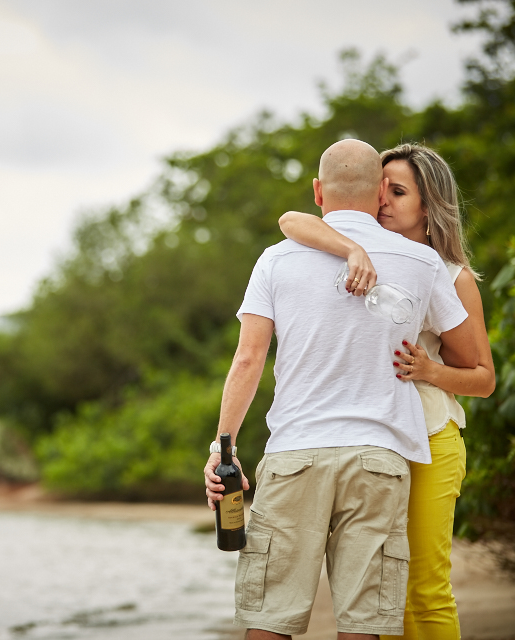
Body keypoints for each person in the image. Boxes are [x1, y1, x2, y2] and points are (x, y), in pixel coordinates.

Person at [204, 139, 478, 640]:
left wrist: (222, 448)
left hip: (295, 454)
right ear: (378, 192)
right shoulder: (423, 264)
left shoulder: (275, 260)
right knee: (364, 624)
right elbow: (471, 355)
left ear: (317, 190)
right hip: (381, 457)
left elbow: (248, 359)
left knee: (268, 619)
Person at [277, 142, 496, 640]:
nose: (382, 202)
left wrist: (429, 370)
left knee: (423, 587)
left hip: (432, 438)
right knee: (381, 594)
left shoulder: (450, 275)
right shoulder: (362, 253)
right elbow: (292, 219)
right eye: (380, 190)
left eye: (397, 192)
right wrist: (350, 247)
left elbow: (483, 377)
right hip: (378, 444)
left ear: (429, 205)